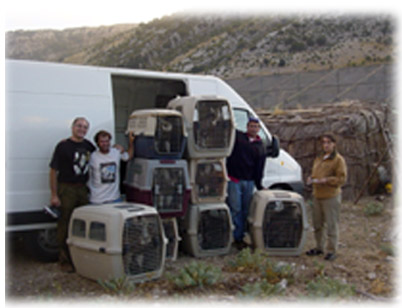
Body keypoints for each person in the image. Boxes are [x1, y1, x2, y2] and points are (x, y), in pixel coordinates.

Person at [49, 117, 95, 272]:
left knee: (82, 224)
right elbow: (53, 171)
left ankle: (80, 258)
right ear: (73, 127)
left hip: (82, 189)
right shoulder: (63, 146)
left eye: (85, 127)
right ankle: (64, 260)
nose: (82, 129)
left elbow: (102, 155)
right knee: (65, 224)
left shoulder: (88, 146)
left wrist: (118, 148)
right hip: (66, 189)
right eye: (79, 126)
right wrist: (54, 194)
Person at [306, 132, 347, 261]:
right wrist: (311, 178)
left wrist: (327, 180)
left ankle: (331, 250)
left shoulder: (338, 160)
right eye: (324, 142)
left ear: (334, 144)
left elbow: (342, 178)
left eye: (328, 142)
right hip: (317, 195)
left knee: (331, 224)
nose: (326, 145)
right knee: (317, 224)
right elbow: (316, 173)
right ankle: (319, 247)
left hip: (330, 196)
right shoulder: (319, 158)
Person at [226, 117, 266, 249]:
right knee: (235, 208)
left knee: (245, 210)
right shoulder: (239, 138)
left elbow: (259, 167)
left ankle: (241, 236)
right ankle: (233, 236)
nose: (253, 128)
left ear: (259, 129)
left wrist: (259, 184)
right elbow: (229, 127)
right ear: (247, 127)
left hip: (249, 181)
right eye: (251, 126)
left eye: (256, 127)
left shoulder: (260, 147)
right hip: (234, 179)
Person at [88, 130, 134, 204]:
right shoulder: (92, 156)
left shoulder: (115, 152)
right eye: (102, 141)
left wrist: (131, 142)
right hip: (97, 200)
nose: (105, 144)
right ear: (97, 143)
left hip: (114, 198)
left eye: (107, 141)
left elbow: (128, 156)